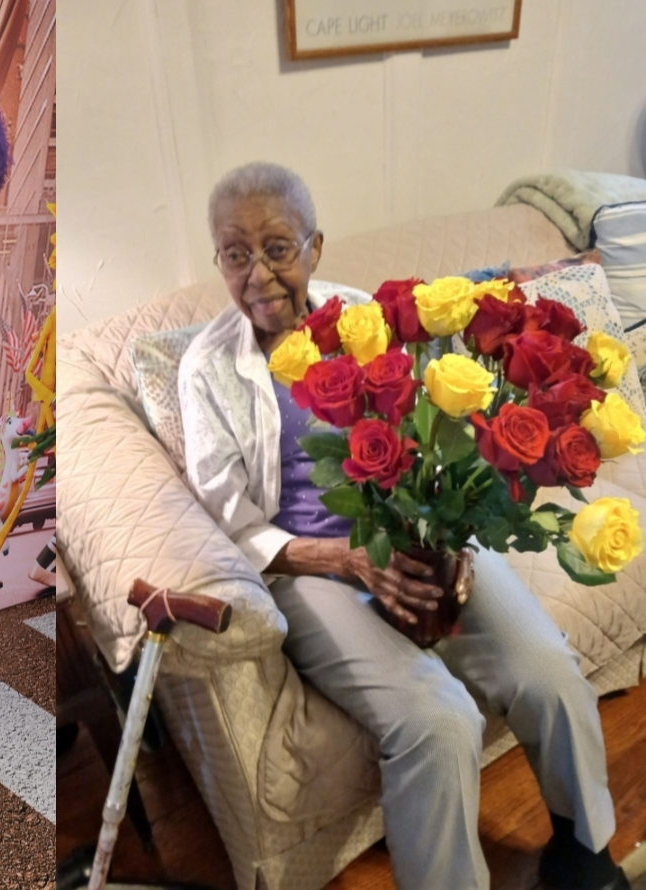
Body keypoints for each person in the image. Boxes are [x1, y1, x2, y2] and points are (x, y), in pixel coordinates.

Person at [177, 162, 629, 890]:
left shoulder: (364, 319)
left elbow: (435, 439)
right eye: (235, 253)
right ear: (218, 261)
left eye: (277, 248)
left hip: (419, 528)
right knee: (438, 720)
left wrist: (450, 542)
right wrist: (349, 561)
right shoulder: (206, 370)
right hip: (309, 565)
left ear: (314, 247)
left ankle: (586, 849)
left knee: (544, 664)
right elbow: (230, 516)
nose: (257, 274)